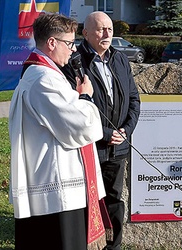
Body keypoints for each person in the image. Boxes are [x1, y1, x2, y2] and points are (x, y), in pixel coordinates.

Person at [9, 13, 109, 250]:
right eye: (69, 43)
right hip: (57, 189)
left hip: (59, 184)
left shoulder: (46, 74)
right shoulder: (43, 79)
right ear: (52, 43)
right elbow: (80, 125)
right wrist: (85, 96)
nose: (73, 50)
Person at [62, 11, 140, 250]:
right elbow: (74, 107)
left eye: (110, 29)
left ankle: (113, 246)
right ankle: (86, 244)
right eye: (100, 29)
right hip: (91, 146)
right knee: (87, 200)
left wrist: (126, 130)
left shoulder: (120, 59)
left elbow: (134, 100)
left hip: (119, 147)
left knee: (115, 200)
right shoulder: (74, 62)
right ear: (85, 33)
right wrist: (106, 134)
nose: (106, 34)